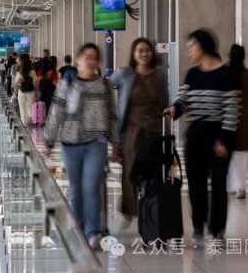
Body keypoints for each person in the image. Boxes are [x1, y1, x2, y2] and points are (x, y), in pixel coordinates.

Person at [164, 29, 239, 245]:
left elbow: (231, 111)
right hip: (196, 133)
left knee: (218, 183)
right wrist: (175, 109)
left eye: (192, 46)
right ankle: (198, 222)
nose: (189, 50)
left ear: (203, 46)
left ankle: (217, 229)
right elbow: (183, 99)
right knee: (195, 182)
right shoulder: (192, 74)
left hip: (218, 134)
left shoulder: (227, 74)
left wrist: (224, 140)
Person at [43, 43, 118, 249]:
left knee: (91, 187)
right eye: (87, 56)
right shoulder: (67, 84)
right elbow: (56, 112)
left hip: (96, 143)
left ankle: (92, 231)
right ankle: (78, 229)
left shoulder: (104, 85)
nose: (90, 61)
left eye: (94, 57)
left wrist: (116, 143)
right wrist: (49, 140)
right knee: (76, 189)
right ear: (78, 60)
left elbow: (112, 115)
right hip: (71, 144)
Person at [108, 38, 169, 225]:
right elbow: (105, 85)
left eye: (147, 50)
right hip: (132, 130)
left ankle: (151, 211)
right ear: (134, 54)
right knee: (131, 170)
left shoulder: (159, 75)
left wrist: (168, 132)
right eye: (140, 51)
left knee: (154, 173)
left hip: (155, 130)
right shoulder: (125, 73)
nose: (144, 54)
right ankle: (129, 210)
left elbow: (164, 104)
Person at [227, 44, 248, 200]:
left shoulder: (226, 73)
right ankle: (240, 186)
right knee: (244, 153)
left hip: (230, 114)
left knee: (232, 152)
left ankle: (234, 185)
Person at [13, 53, 38, 127]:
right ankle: (31, 122)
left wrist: (15, 91)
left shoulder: (19, 72)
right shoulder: (32, 71)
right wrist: (36, 91)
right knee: (30, 107)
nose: (17, 61)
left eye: (19, 60)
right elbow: (36, 82)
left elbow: (16, 83)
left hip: (22, 91)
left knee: (22, 108)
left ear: (22, 61)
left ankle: (24, 124)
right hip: (31, 91)